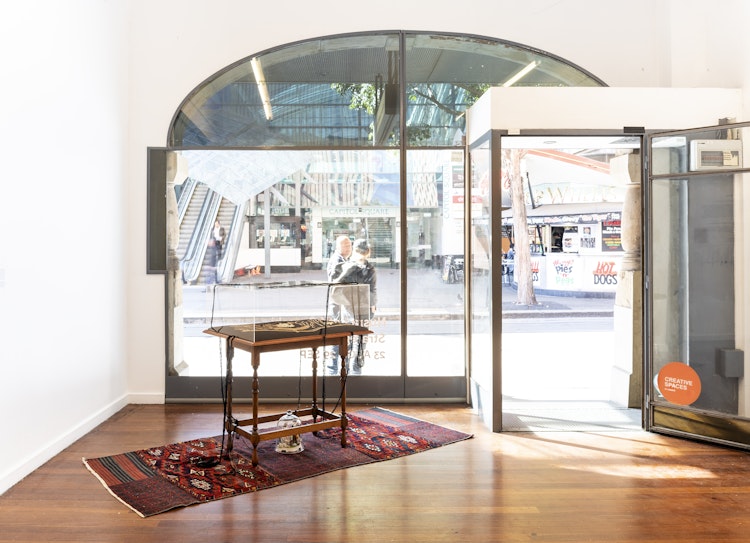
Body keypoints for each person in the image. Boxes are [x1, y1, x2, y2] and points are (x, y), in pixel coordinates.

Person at [331, 238, 377, 375]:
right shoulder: (350, 266)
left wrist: (372, 306)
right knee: (353, 341)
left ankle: (355, 370)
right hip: (353, 309)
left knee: (359, 341)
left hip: (358, 309)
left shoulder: (368, 269)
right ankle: (350, 370)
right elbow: (336, 288)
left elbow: (373, 290)